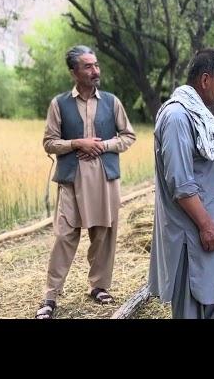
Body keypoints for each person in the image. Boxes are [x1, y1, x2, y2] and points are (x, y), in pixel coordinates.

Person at [35, 45, 136, 319]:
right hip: (72, 178)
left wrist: (103, 146)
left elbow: (128, 136)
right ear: (74, 72)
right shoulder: (59, 104)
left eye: (96, 65)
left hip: (104, 178)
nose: (95, 71)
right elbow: (49, 142)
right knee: (64, 236)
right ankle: (50, 296)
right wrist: (76, 143)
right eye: (88, 66)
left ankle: (98, 286)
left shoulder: (112, 101)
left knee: (103, 233)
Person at [148, 48, 214, 319]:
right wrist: (207, 225)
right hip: (194, 237)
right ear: (204, 80)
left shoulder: (200, 114)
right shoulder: (178, 117)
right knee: (192, 308)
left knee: (210, 304)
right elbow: (180, 183)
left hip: (208, 235)